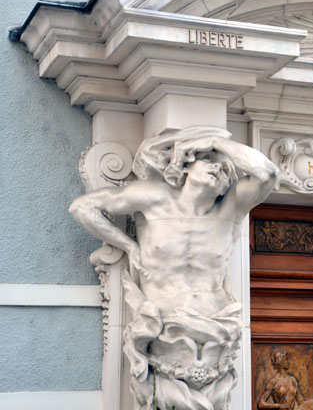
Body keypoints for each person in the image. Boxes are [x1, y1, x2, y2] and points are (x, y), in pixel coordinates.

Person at [70, 126, 279, 410]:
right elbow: (82, 208)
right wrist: (129, 246)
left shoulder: (231, 208)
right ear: (183, 167)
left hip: (217, 337)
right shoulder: (154, 198)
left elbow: (268, 173)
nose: (217, 167)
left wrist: (217, 142)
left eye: (222, 165)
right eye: (207, 159)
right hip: (164, 335)